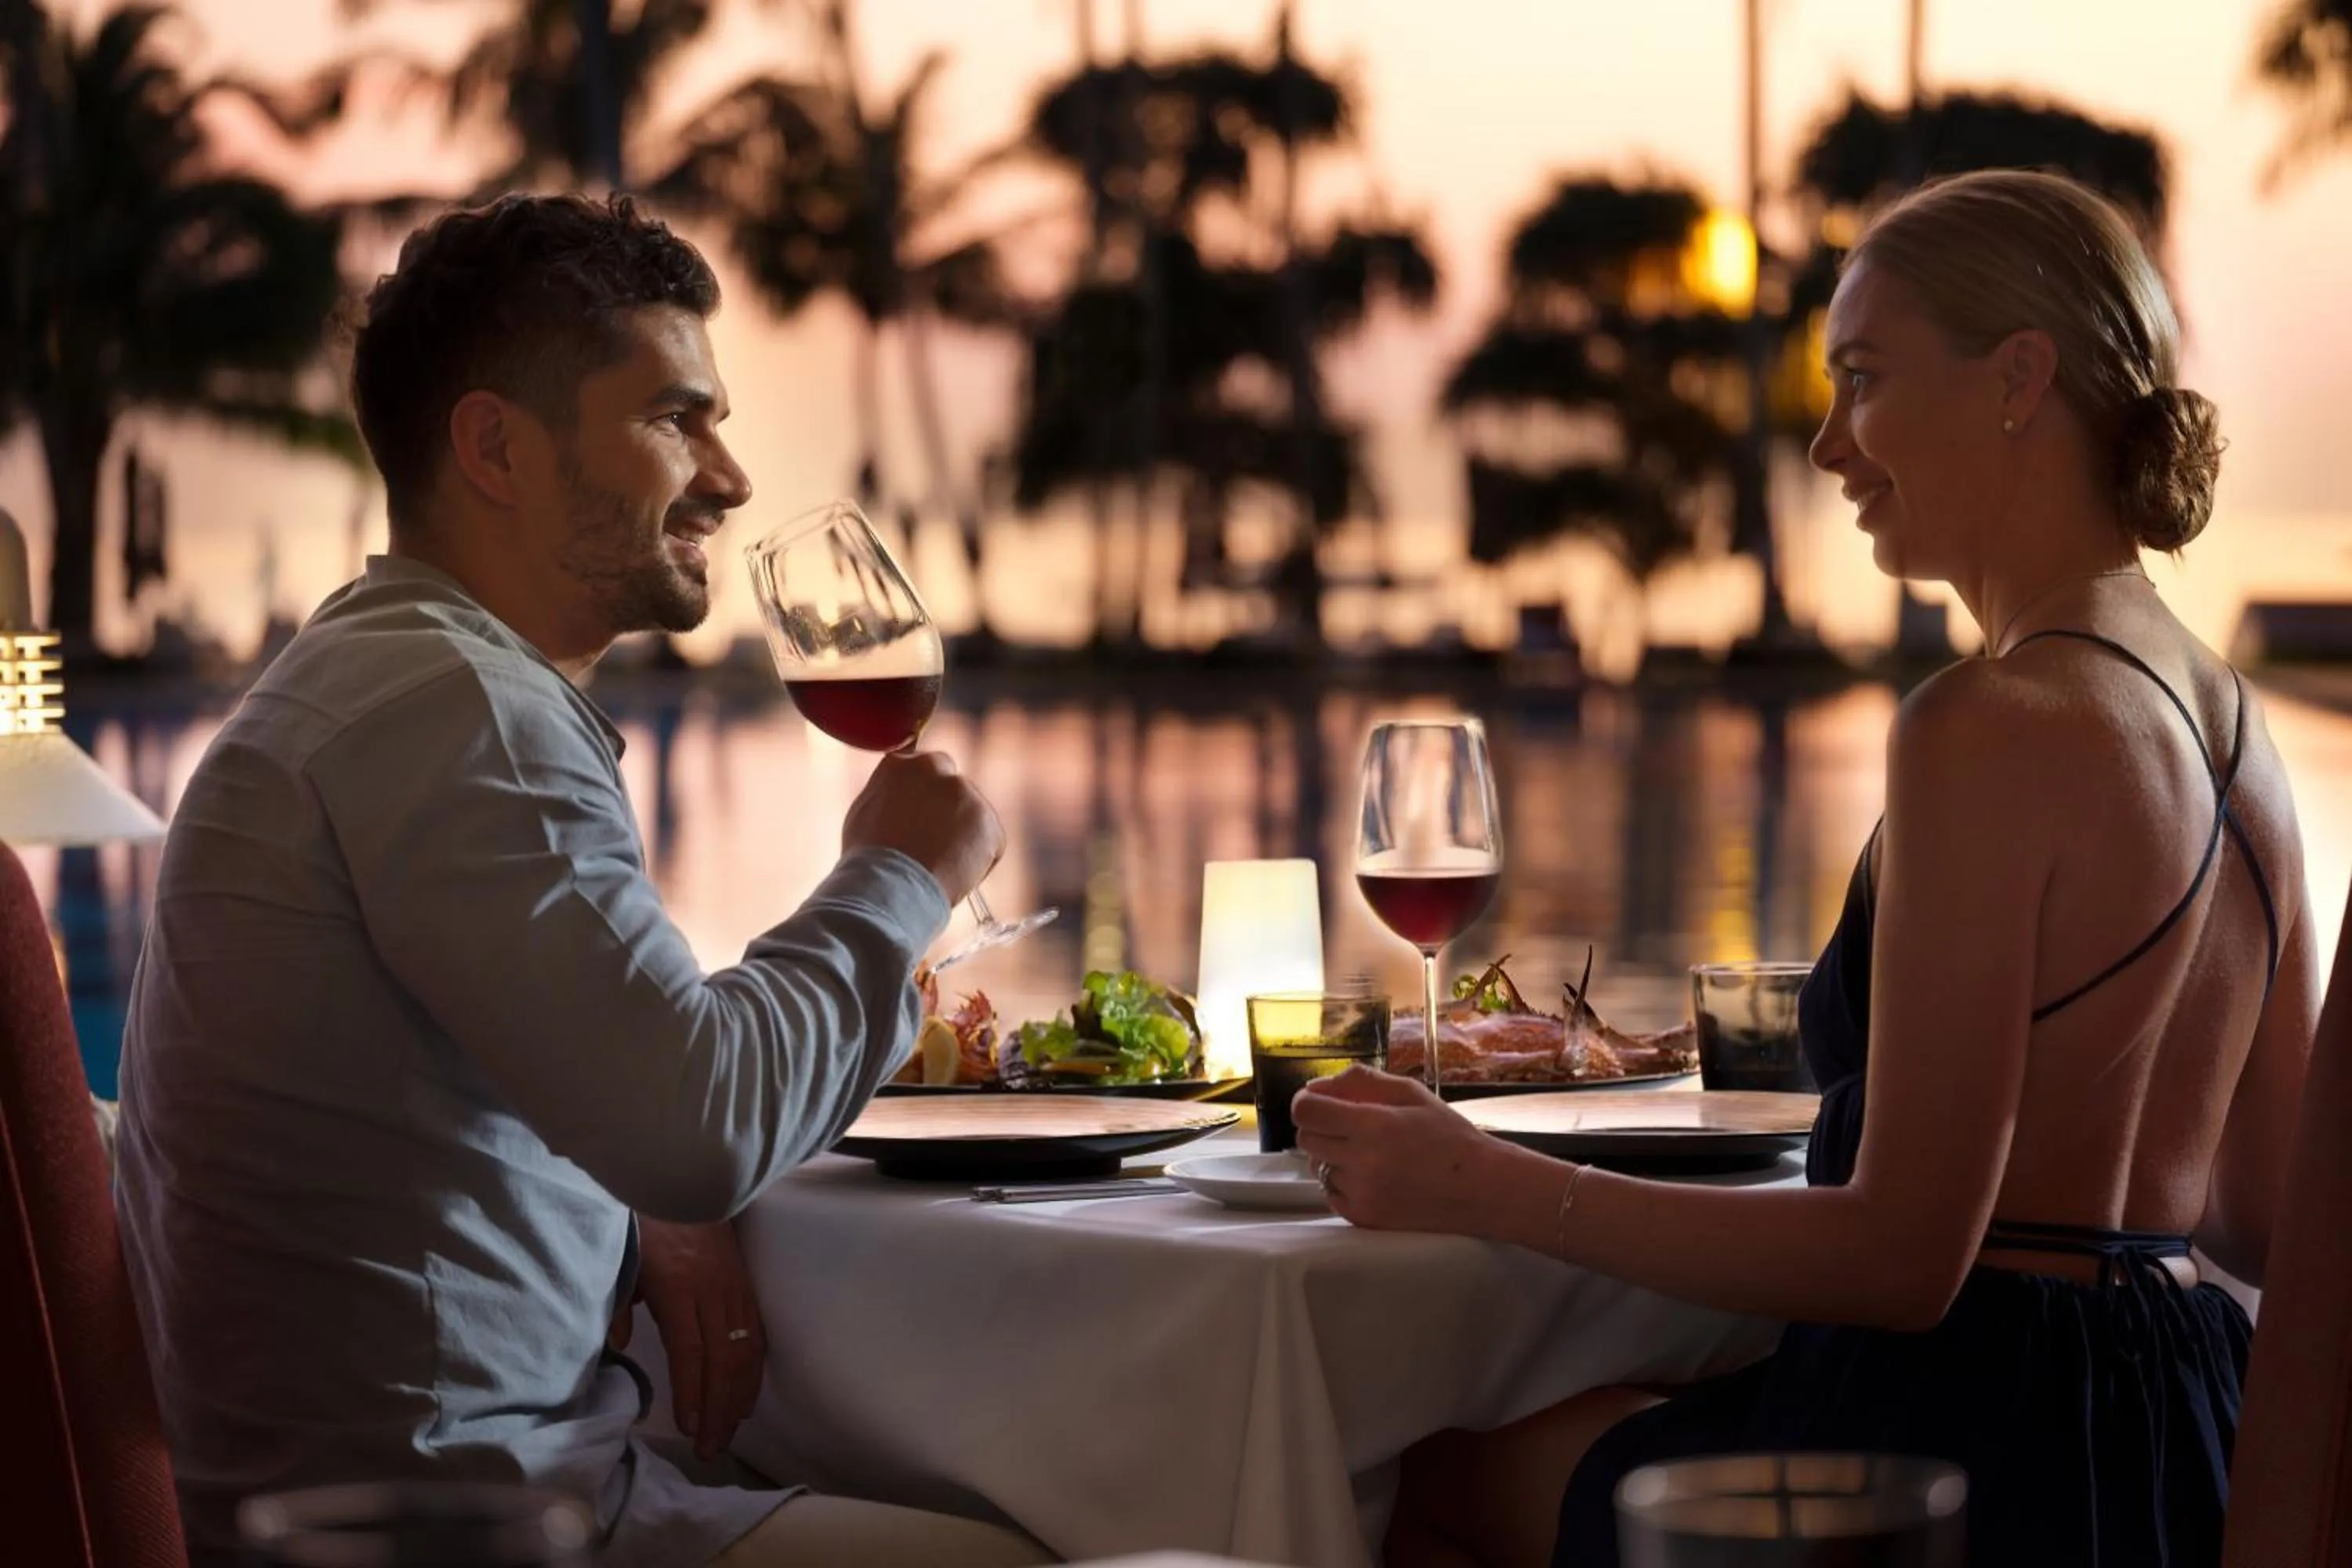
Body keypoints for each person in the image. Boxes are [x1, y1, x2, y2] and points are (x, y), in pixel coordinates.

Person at [1292, 169, 2315, 1568]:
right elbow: (2268, 1220)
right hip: (2178, 1442)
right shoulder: (2241, 729)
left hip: (1963, 1458)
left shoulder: (1987, 722)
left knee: (1412, 1473)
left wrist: (1481, 1181)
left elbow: (1904, 1262)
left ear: (2021, 378)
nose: (1829, 445)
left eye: (1866, 380)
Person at [114, 194, 1048, 1568]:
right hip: (451, 1524)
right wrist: (897, 877)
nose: (730, 478)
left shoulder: (381, 675)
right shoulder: (457, 708)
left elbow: (628, 1106)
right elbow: (703, 1119)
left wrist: (640, 1204)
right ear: (497, 445)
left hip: (426, 1485)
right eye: (677, 419)